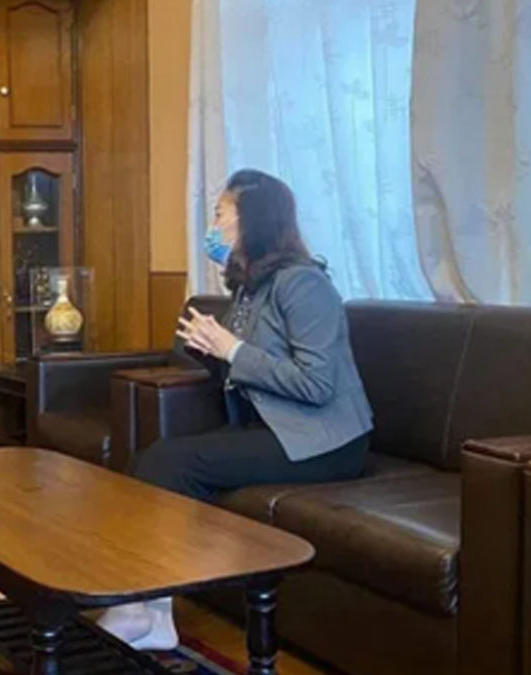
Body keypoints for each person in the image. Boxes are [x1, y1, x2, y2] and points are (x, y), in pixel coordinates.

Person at [98, 169, 374, 650]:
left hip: (326, 440)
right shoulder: (251, 288)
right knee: (151, 459)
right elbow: (249, 368)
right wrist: (210, 352)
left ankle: (140, 609)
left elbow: (316, 384)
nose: (213, 226)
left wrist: (231, 350)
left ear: (253, 220)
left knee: (169, 461)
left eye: (220, 213)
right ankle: (151, 610)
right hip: (274, 429)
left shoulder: (304, 283)